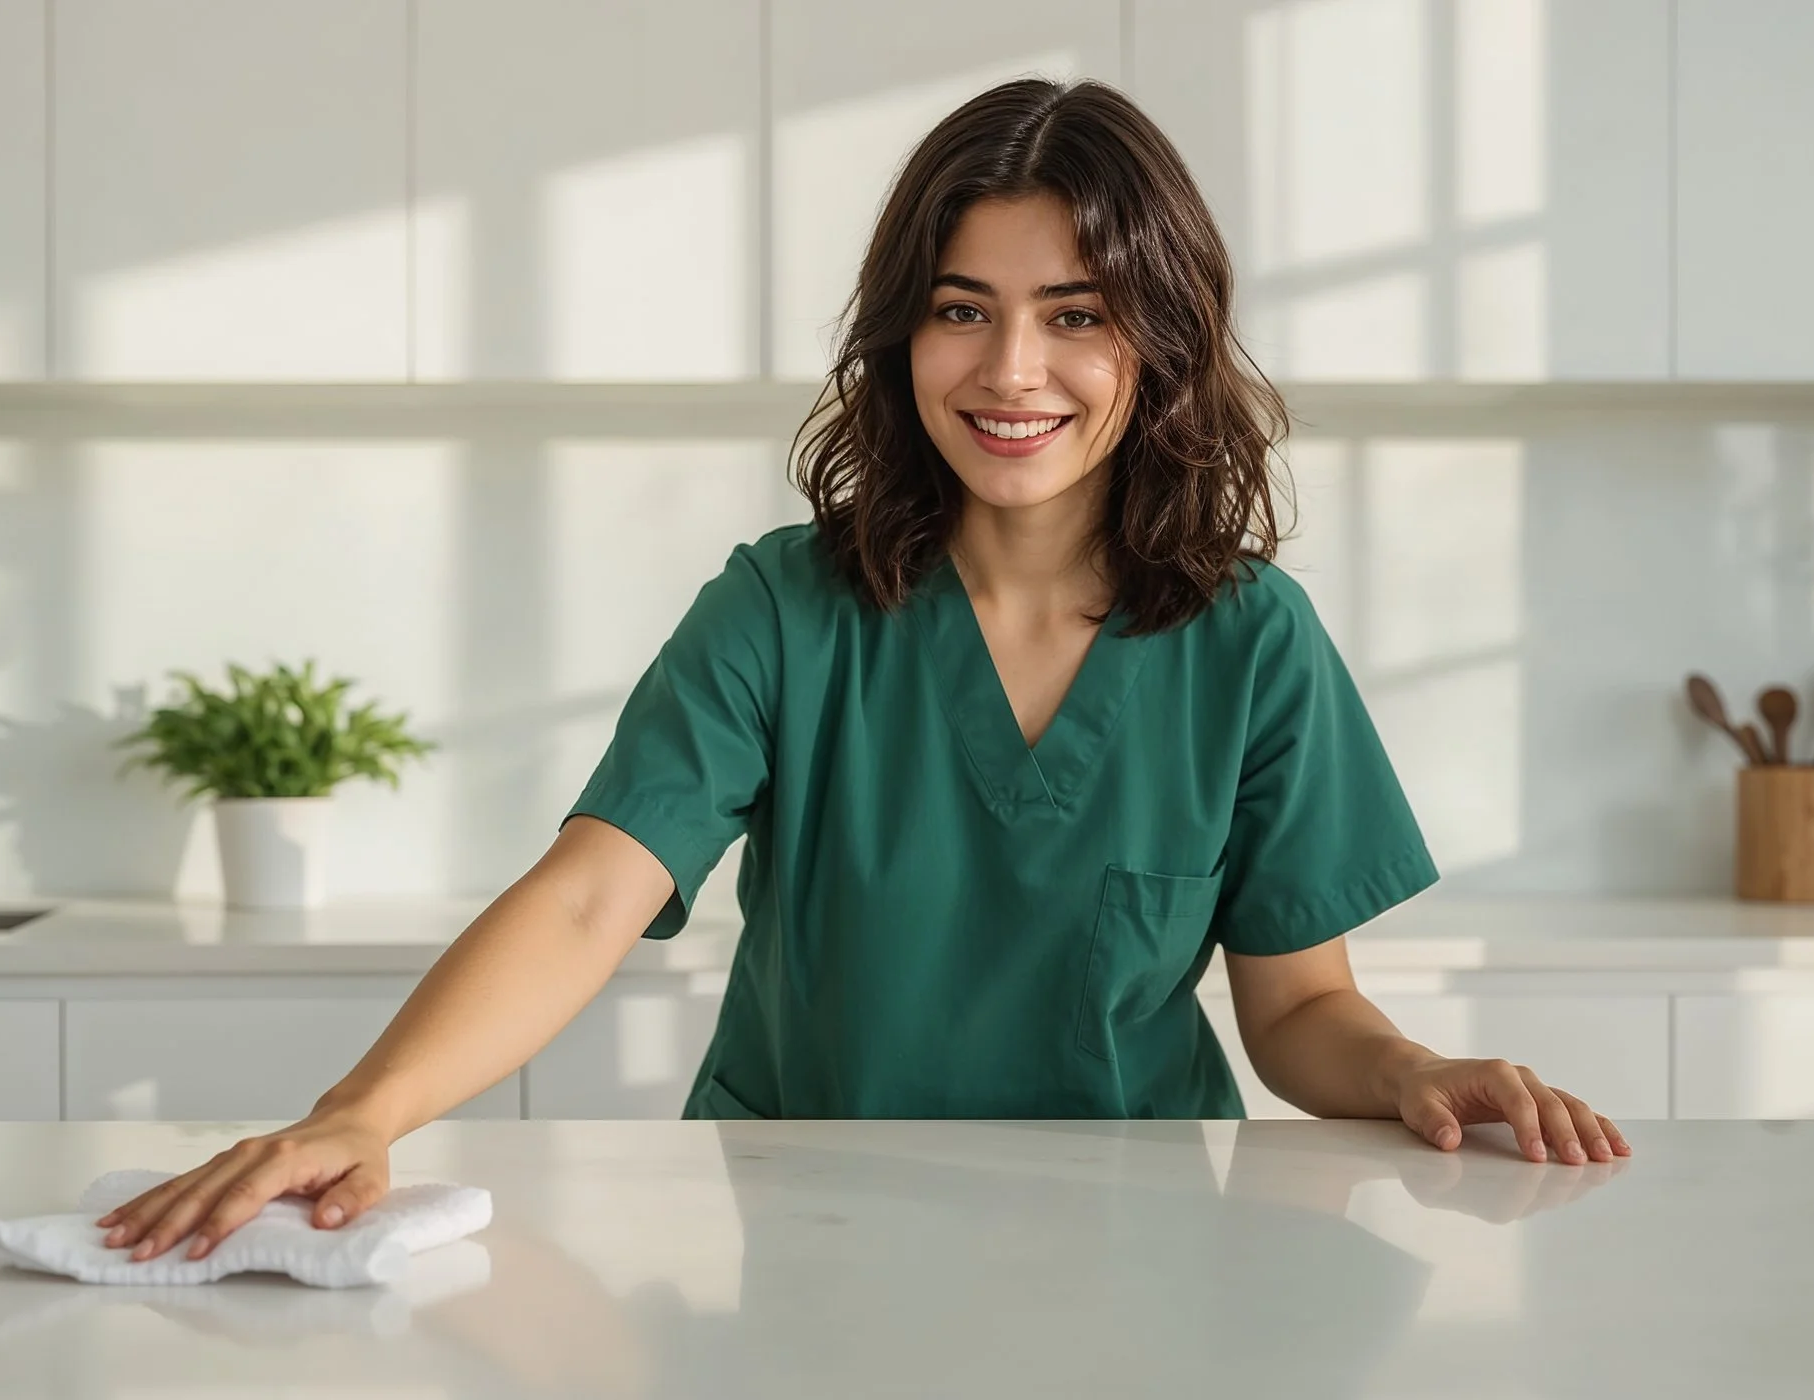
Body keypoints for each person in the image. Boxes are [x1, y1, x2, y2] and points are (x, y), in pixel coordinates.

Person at [97, 76, 1631, 1266]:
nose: (1011, 372)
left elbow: (1297, 1009)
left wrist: (1418, 1071)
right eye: (963, 312)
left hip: (1156, 1246)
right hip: (806, 1235)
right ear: (902, 341)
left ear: (1157, 346)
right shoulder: (782, 608)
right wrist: (361, 1116)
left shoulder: (1249, 640)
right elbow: (588, 894)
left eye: (1074, 318)